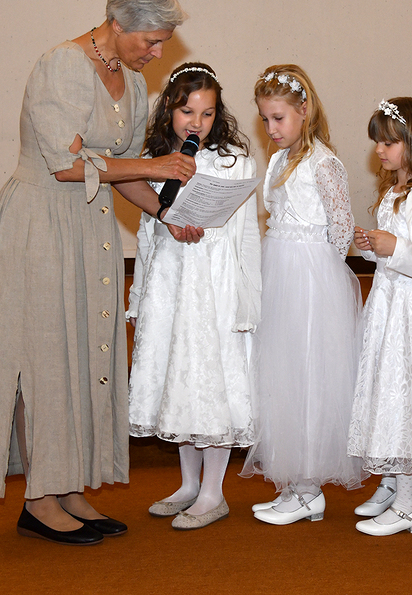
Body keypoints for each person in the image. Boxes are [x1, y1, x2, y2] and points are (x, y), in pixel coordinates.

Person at [0, 0, 195, 546]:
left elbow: (120, 171)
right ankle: (39, 500)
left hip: (91, 230)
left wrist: (166, 212)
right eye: (151, 41)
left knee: (86, 354)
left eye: (162, 42)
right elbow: (67, 165)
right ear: (117, 23)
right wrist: (154, 167)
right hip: (39, 225)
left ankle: (68, 487)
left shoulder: (132, 81)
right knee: (45, 358)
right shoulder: (62, 66)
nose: (157, 53)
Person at [126, 63, 260, 529]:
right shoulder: (156, 159)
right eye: (187, 112)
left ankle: (212, 492)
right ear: (170, 108)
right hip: (171, 281)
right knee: (179, 379)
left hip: (214, 286)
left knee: (210, 381)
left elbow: (247, 236)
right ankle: (188, 484)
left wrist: (248, 299)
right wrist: (140, 295)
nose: (196, 123)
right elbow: (147, 231)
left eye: (207, 113)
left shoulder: (233, 161)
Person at [240, 64, 364, 523]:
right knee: (282, 373)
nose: (271, 128)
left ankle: (311, 487)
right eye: (265, 119)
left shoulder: (323, 163)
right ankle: (292, 480)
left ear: (304, 110)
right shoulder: (278, 160)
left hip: (311, 279)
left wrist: (315, 270)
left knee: (311, 377)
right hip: (279, 270)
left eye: (279, 118)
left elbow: (342, 229)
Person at [347, 98, 412, 536]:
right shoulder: (393, 192)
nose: (380, 150)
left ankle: (411, 505)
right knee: (386, 391)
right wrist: (372, 248)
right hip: (387, 305)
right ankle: (393, 484)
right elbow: (392, 255)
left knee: (407, 397)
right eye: (378, 142)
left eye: (389, 142)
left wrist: (396, 248)